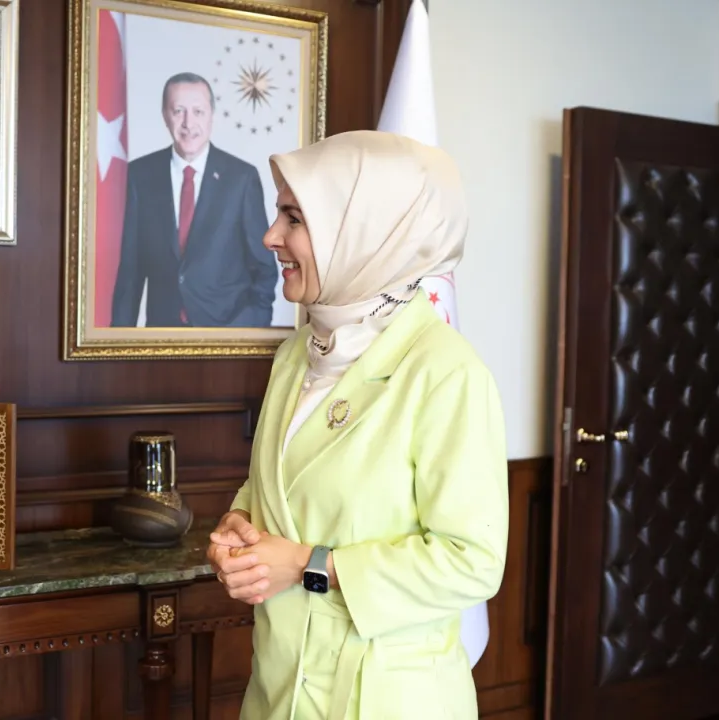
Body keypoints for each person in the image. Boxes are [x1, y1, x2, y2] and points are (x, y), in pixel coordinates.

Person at [206, 130, 508, 719]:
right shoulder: (294, 357)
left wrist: (309, 566)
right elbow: (278, 486)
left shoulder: (446, 371)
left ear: (363, 233)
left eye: (294, 218)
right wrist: (239, 524)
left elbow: (471, 562)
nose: (271, 236)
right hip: (279, 692)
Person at [110, 72, 278, 328]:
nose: (188, 123)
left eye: (198, 111)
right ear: (165, 115)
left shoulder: (241, 179)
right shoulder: (139, 176)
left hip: (227, 333)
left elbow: (264, 269)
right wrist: (118, 341)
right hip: (162, 336)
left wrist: (246, 331)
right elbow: (130, 273)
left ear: (212, 115)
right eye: (178, 111)